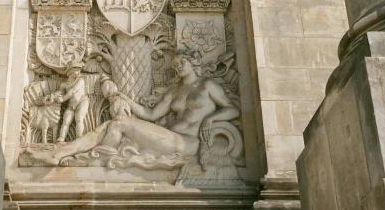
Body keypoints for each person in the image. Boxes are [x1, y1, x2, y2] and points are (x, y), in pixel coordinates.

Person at [28, 50, 240, 166]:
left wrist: (209, 119)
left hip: (188, 143)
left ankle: (97, 157)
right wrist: (125, 99)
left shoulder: (207, 85)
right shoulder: (174, 91)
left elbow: (233, 110)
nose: (177, 66)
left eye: (182, 62)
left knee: (118, 124)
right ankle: (62, 153)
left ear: (193, 63)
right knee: (111, 124)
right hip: (169, 137)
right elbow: (150, 114)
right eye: (175, 64)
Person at [57, 66, 90, 141]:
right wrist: (57, 98)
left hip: (82, 101)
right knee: (66, 121)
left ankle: (79, 138)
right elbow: (61, 95)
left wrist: (63, 98)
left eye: (79, 71)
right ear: (70, 72)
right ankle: (61, 138)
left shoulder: (80, 80)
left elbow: (73, 91)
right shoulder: (64, 85)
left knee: (79, 118)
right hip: (71, 105)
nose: (79, 73)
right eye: (76, 71)